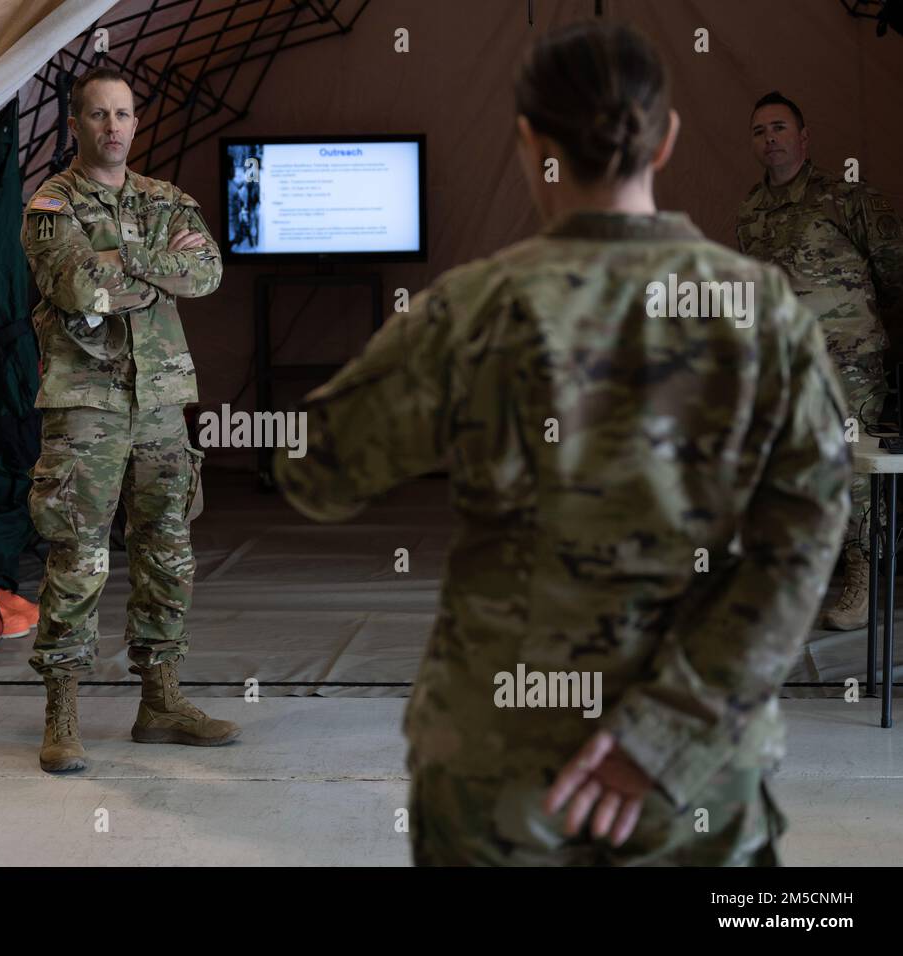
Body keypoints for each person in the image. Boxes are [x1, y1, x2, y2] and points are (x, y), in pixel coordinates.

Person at [275, 20, 851, 865]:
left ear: (527, 144)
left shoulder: (472, 308)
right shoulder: (762, 311)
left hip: (497, 774)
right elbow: (804, 542)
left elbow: (315, 470)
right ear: (668, 139)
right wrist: (662, 737)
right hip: (691, 784)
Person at [21, 67, 239, 773]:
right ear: (75, 125)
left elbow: (207, 273)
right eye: (98, 115)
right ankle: (62, 713)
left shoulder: (165, 198)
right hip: (87, 404)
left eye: (124, 114)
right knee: (78, 554)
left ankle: (161, 702)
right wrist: (153, 269)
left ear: (136, 122)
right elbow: (78, 284)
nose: (113, 127)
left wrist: (121, 268)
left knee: (168, 551)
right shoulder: (50, 206)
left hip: (161, 404)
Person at [737, 90, 903, 630]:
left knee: (854, 469)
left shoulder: (846, 198)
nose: (770, 139)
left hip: (849, 364)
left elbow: (894, 271)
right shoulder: (750, 212)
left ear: (803, 138)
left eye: (779, 128)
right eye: (760, 131)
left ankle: (863, 580)